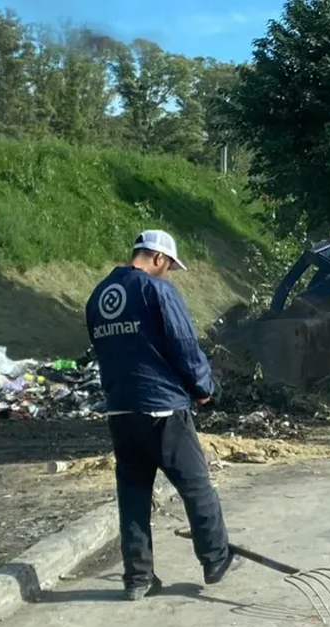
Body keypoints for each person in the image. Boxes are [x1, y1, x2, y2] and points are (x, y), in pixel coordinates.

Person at [85, 229, 239, 601]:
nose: (168, 272)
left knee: (134, 494)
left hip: (120, 408)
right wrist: (203, 388)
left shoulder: (99, 295)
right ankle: (216, 558)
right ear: (157, 258)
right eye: (168, 264)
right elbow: (183, 344)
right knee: (196, 484)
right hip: (163, 408)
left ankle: (137, 578)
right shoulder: (157, 290)